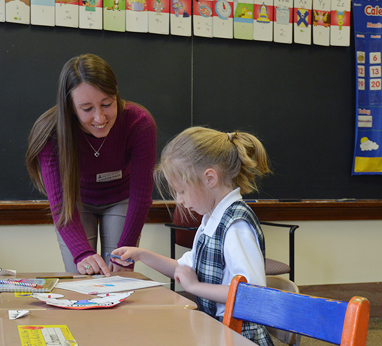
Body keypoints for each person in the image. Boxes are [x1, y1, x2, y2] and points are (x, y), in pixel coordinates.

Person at [111, 126, 274, 346]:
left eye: (182, 191)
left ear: (209, 178)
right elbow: (184, 270)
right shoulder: (210, 220)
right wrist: (142, 255)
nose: (179, 200)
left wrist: (195, 287)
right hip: (217, 331)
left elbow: (252, 295)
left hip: (240, 337)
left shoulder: (236, 224)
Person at [26, 54, 157, 276]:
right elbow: (60, 203)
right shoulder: (50, 132)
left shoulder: (139, 123)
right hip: (75, 203)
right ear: (70, 106)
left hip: (121, 199)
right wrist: (80, 253)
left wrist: (123, 253)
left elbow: (141, 195)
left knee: (118, 276)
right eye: (87, 109)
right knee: (81, 276)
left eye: (107, 104)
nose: (100, 117)